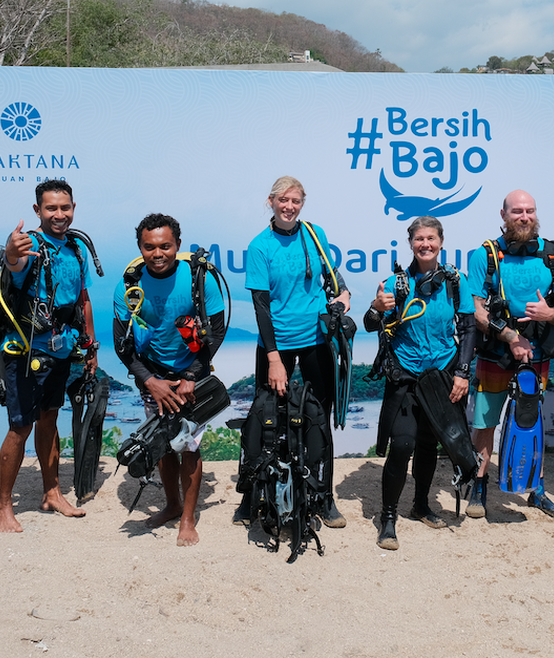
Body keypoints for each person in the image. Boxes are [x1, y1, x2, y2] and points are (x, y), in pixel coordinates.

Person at [236, 176, 351, 527]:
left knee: (322, 419)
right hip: (276, 344)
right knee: (263, 420)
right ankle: (251, 497)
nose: (289, 207)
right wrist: (273, 358)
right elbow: (261, 307)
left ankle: (324, 497)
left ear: (302, 203)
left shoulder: (315, 234)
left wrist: (343, 294)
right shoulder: (259, 247)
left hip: (316, 338)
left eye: (295, 201)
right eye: (283, 200)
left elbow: (332, 275)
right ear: (270, 201)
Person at [364, 216, 477, 549]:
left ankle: (421, 505)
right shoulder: (395, 283)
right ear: (410, 242)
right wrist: (374, 307)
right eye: (419, 239)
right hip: (406, 374)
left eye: (431, 238)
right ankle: (387, 517)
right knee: (402, 445)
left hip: (443, 373)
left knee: (430, 444)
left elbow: (469, 329)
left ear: (441, 241)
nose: (425, 244)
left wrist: (463, 373)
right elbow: (372, 324)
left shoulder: (456, 282)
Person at [112, 213, 226, 547]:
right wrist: (150, 381)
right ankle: (172, 505)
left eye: (165, 246)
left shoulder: (199, 278)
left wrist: (191, 376)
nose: (157, 253)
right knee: (161, 445)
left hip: (192, 375)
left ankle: (188, 518)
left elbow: (216, 332)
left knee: (189, 446)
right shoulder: (128, 286)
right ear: (140, 247)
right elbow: (123, 346)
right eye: (149, 247)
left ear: (177, 244)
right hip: (154, 378)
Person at [0, 180, 97, 533]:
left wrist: (90, 348)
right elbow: (15, 262)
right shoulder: (31, 246)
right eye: (51, 208)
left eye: (65, 207)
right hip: (26, 353)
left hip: (64, 350)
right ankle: (3, 506)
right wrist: (11, 251)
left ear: (73, 208)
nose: (59, 214)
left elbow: (83, 299)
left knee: (49, 421)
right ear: (37, 211)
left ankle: (51, 492)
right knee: (20, 428)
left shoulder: (76, 249)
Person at [465, 189, 554, 519]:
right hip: (494, 353)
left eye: (529, 211)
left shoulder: (553, 254)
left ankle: (536, 490)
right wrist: (510, 336)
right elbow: (476, 310)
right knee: (485, 423)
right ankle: (478, 486)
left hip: (537, 354)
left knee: (532, 420)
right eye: (517, 212)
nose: (524, 217)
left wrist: (548, 314)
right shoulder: (485, 255)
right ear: (503, 215)